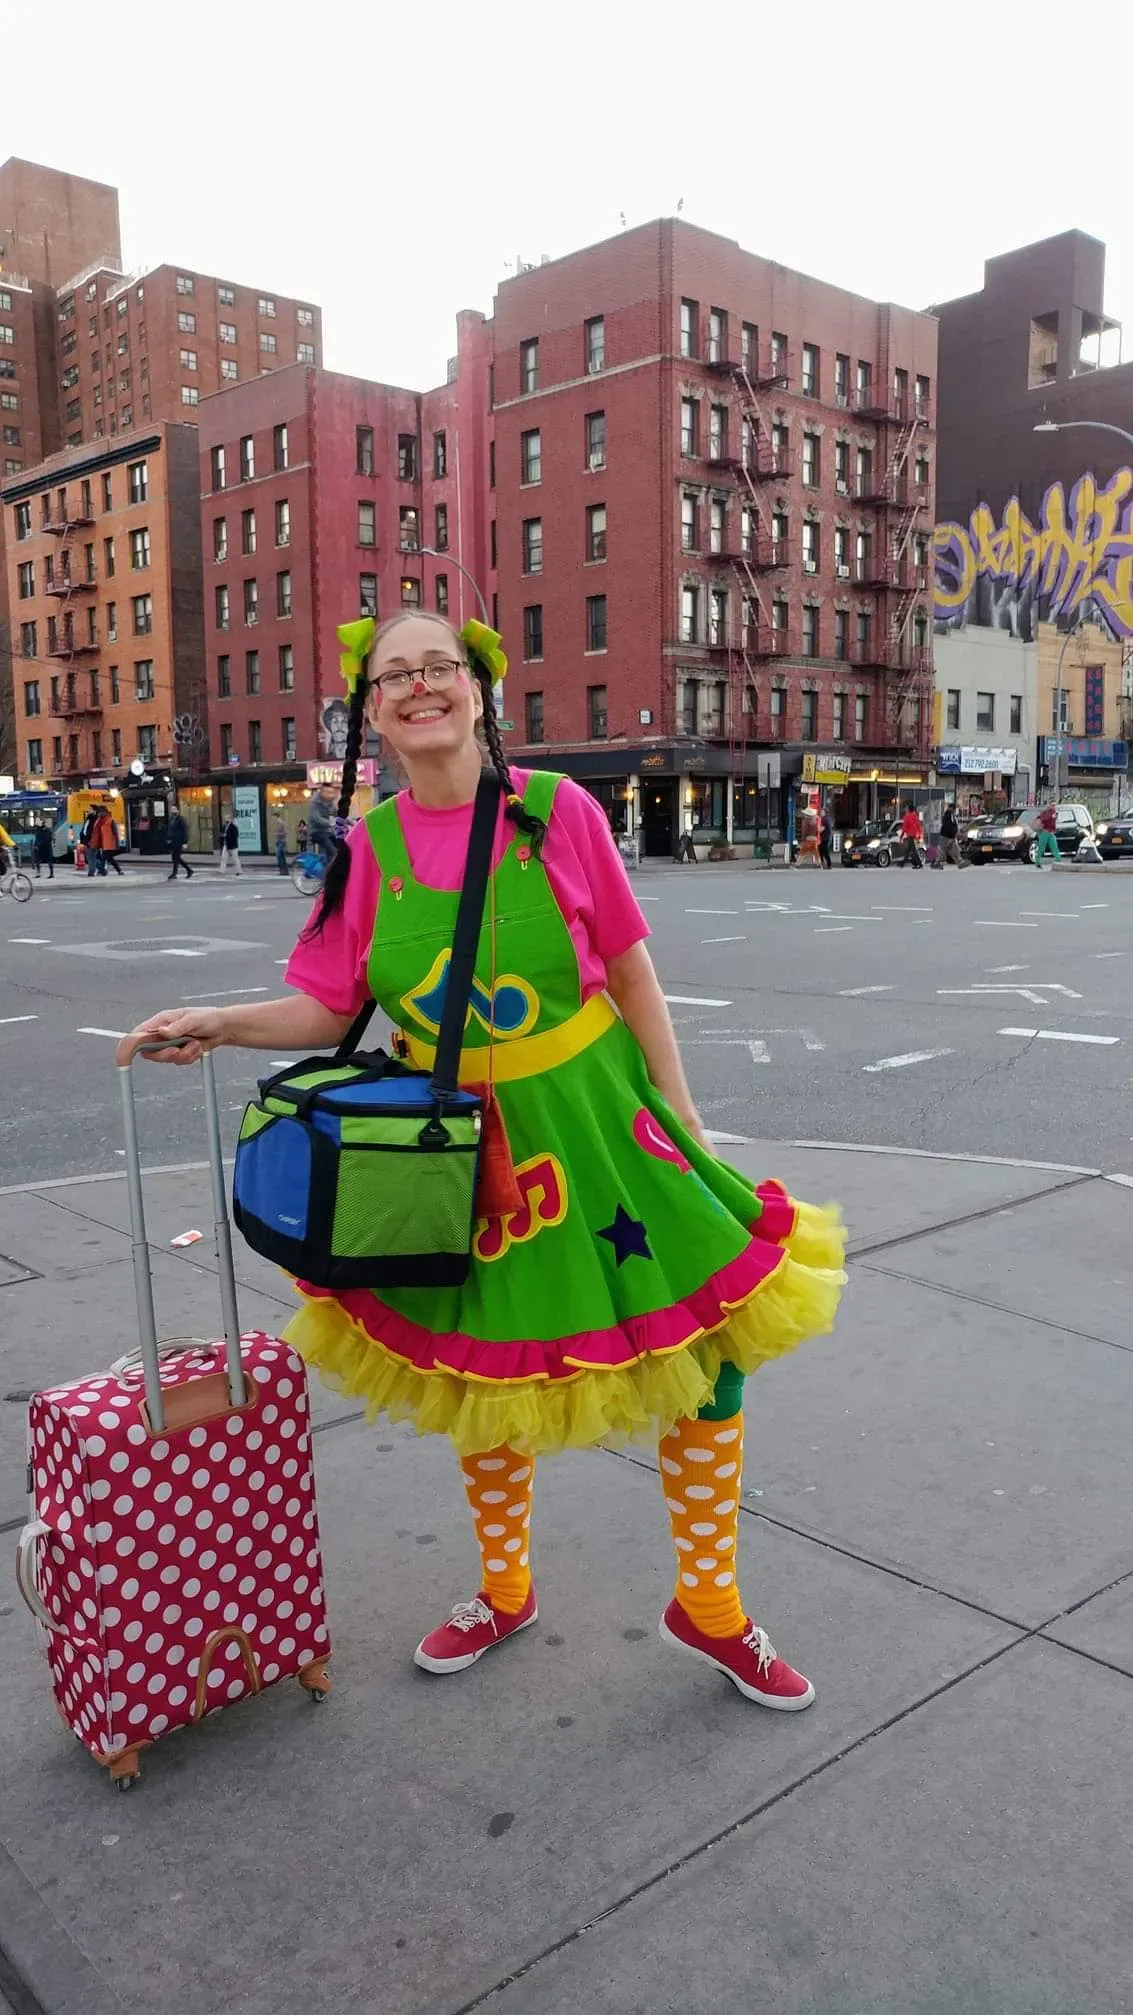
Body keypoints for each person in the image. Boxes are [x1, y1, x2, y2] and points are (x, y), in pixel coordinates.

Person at [131, 610, 845, 1711]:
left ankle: (708, 1604)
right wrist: (218, 1023)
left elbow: (631, 970)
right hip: (456, 1152)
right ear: (371, 712)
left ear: (480, 687)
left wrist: (687, 1114)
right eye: (394, 675)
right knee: (474, 1369)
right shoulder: (363, 846)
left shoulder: (556, 811)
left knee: (705, 1353)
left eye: (439, 668)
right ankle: (502, 1588)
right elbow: (329, 1009)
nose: (420, 687)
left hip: (603, 1123)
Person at [307, 787, 337, 868]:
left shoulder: (331, 803)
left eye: (332, 792)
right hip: (316, 832)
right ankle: (328, 875)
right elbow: (317, 818)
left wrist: (352, 823)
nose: (331, 795)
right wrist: (330, 823)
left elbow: (338, 813)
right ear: (323, 793)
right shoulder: (314, 803)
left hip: (327, 831)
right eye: (329, 792)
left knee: (341, 848)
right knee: (332, 852)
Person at [94, 806, 123, 877]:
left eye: (101, 812)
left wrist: (117, 843)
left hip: (109, 843)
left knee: (104, 858)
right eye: (99, 813)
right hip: (102, 843)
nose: (99, 814)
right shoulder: (98, 821)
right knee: (110, 859)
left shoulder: (111, 821)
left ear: (105, 813)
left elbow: (115, 833)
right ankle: (119, 870)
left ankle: (102, 871)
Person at [167, 807, 193, 880]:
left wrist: (185, 842)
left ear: (178, 810)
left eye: (174, 809)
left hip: (179, 841)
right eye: (172, 809)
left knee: (175, 857)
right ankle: (189, 870)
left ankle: (175, 873)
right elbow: (170, 830)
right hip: (173, 841)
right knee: (176, 858)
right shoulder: (171, 819)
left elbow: (185, 831)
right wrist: (168, 838)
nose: (172, 811)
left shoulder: (181, 819)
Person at [939, 802, 967, 868]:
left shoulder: (951, 815)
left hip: (950, 836)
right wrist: (953, 832)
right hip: (946, 836)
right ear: (951, 808)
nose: (954, 810)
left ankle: (960, 862)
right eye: (954, 808)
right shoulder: (948, 815)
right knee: (944, 850)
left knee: (954, 850)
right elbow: (949, 825)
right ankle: (940, 863)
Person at [1033, 802, 1060, 866]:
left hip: (1051, 832)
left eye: (1055, 805)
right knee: (1042, 848)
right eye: (1052, 805)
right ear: (1049, 805)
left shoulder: (1054, 812)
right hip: (1044, 832)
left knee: (1054, 846)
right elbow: (1043, 820)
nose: (1054, 806)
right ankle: (1037, 861)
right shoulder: (1045, 812)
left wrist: (1055, 817)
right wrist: (1051, 816)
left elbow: (1053, 822)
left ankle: (1058, 859)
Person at [899, 802, 924, 868]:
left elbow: (904, 827)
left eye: (907, 809)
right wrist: (920, 834)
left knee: (913, 850)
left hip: (910, 834)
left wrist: (901, 836)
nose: (906, 810)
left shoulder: (907, 817)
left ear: (909, 810)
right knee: (909, 849)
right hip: (915, 834)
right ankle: (903, 863)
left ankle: (919, 864)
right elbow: (919, 826)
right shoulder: (915, 816)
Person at [81, 806, 104, 877]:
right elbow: (85, 830)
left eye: (90, 809)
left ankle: (91, 872)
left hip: (92, 840)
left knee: (90, 857)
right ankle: (102, 869)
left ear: (94, 811)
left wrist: (88, 840)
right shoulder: (89, 818)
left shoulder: (94, 819)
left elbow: (90, 831)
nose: (88, 810)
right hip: (89, 840)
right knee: (92, 856)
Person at [818, 806, 834, 870]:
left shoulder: (824, 819)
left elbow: (822, 829)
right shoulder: (827, 819)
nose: (820, 812)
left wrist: (817, 830)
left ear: (824, 812)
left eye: (821, 812)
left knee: (824, 851)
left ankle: (827, 864)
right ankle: (824, 864)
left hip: (824, 838)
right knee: (822, 851)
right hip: (826, 837)